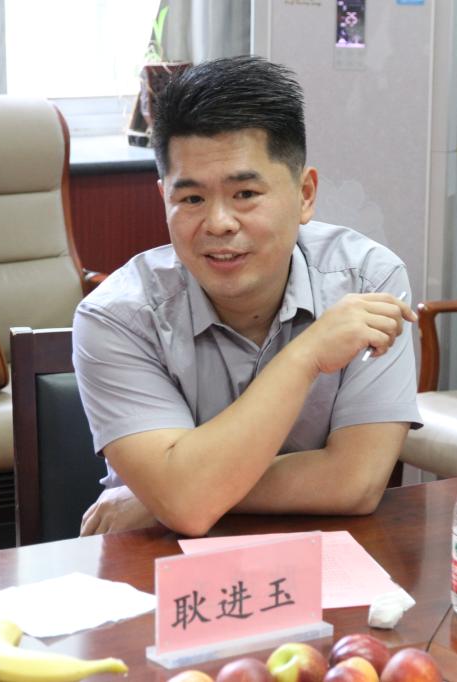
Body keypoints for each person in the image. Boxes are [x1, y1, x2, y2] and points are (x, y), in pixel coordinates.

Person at [73, 56, 420, 537]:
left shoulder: (368, 279)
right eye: (191, 199)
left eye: (245, 194)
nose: (218, 223)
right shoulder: (116, 318)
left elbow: (355, 481)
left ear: (305, 194)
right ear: (164, 199)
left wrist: (169, 495)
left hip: (322, 556)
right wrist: (306, 356)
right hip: (156, 561)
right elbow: (185, 506)